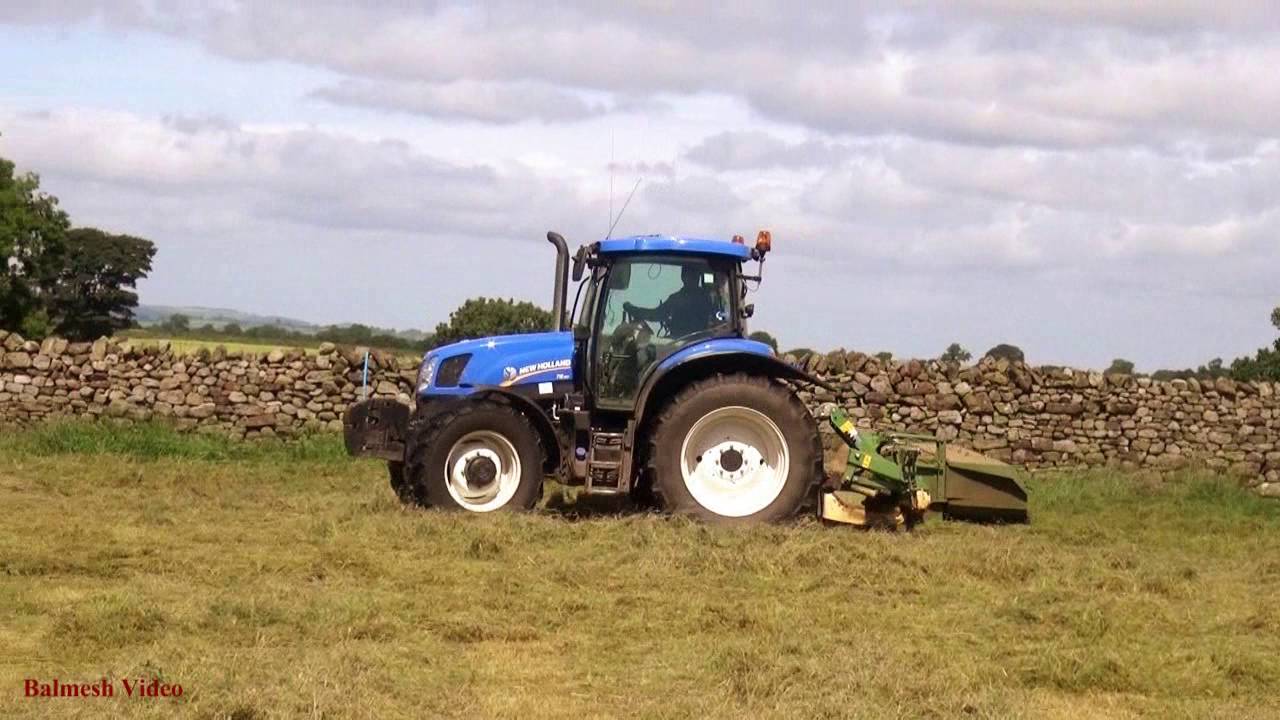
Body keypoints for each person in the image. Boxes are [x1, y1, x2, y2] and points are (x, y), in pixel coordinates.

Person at [623, 265, 721, 338]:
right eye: (689, 275)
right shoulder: (710, 298)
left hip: (681, 344)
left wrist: (631, 309)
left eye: (693, 275)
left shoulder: (678, 299)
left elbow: (655, 315)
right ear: (683, 277)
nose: (691, 278)